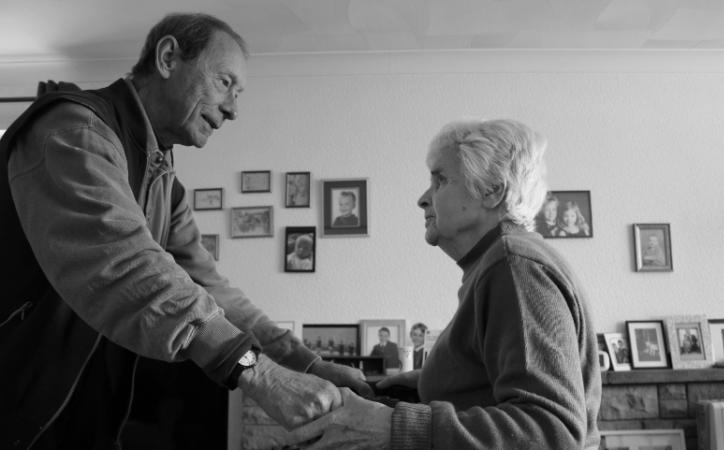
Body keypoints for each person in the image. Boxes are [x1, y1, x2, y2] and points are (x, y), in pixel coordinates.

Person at [0, 13, 370, 449]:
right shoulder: (74, 131)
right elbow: (123, 264)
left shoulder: (164, 183)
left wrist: (307, 365)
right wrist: (258, 372)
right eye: (225, 82)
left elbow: (213, 288)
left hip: (81, 415)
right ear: (168, 57)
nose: (234, 109)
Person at [289, 119, 602, 449]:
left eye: (440, 181)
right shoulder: (498, 263)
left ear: (493, 190)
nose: (423, 199)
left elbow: (551, 432)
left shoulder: (514, 264)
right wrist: (434, 385)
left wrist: (397, 426)